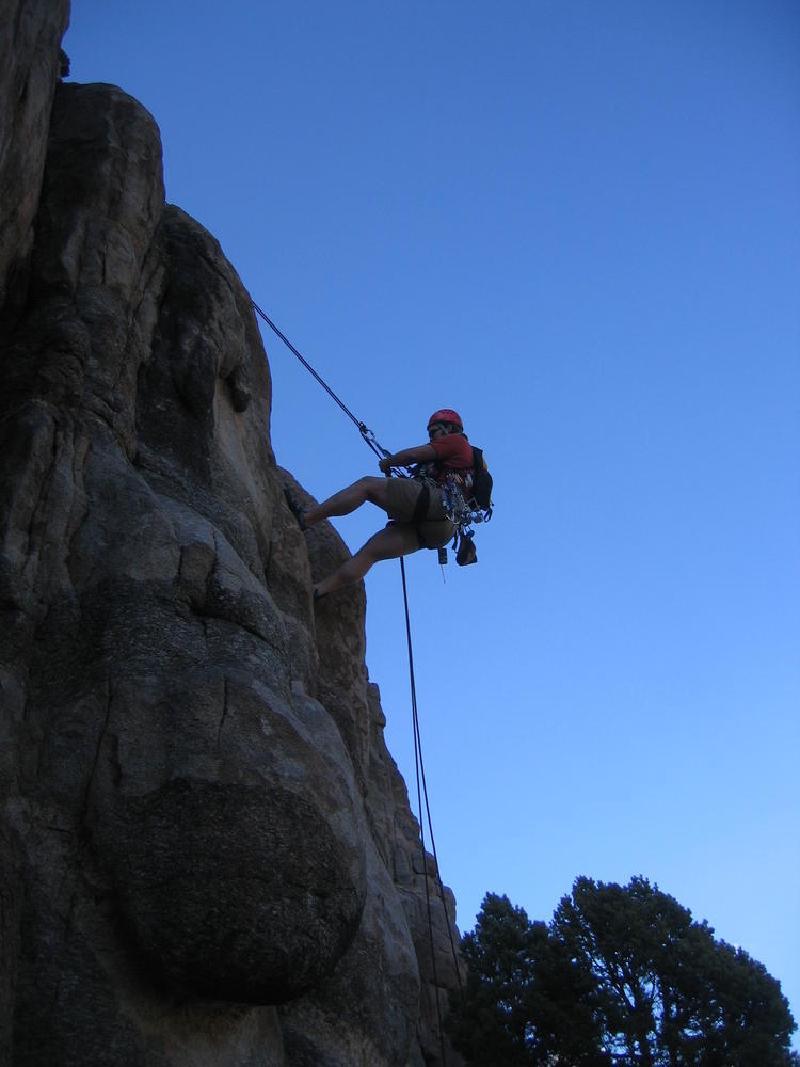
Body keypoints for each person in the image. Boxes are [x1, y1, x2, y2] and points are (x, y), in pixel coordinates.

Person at [288, 409, 474, 599]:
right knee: (371, 552)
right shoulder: (460, 463)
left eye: (434, 431)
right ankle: (318, 591)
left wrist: (390, 462)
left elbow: (412, 455)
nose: (431, 436)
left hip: (437, 502)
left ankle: (307, 518)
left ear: (449, 428)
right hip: (442, 529)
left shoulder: (456, 441)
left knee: (366, 486)